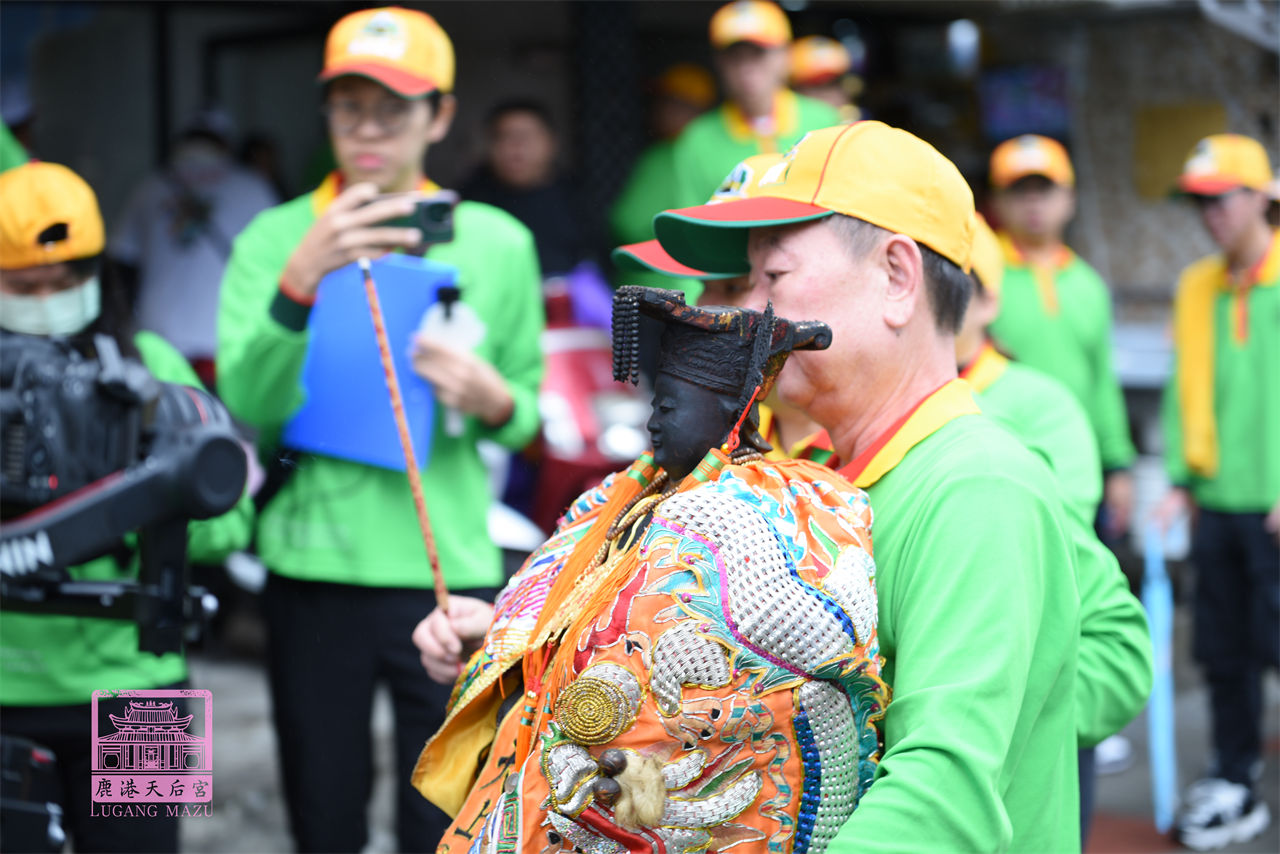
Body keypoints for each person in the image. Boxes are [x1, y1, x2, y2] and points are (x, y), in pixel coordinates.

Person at [652, 120, 1083, 852]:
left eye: (773, 277)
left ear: (896, 277)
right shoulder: (818, 475)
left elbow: (942, 797)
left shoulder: (977, 487)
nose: (747, 311)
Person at [215, 8, 544, 852]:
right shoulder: (275, 235)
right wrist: (298, 282)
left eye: (392, 108)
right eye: (348, 106)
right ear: (325, 112)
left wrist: (493, 398)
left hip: (449, 584)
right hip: (312, 563)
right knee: (322, 811)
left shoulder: (499, 242)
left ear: (438, 116)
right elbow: (251, 400)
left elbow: (531, 413)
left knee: (444, 822)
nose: (367, 130)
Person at [413, 285, 886, 852]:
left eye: (667, 405)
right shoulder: (623, 496)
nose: (652, 422)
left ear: (728, 413)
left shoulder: (786, 508)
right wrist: (497, 630)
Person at [0, 161, 252, 853]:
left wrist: (137, 495)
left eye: (67, 282)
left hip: (144, 696)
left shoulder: (154, 367)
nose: (48, 301)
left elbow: (232, 524)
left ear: (101, 274)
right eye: (24, 288)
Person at [964, 211, 1152, 843]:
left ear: (988, 298)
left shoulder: (1041, 404)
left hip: (1032, 679)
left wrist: (1041, 710)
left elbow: (1054, 559)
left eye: (956, 282)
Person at [1155, 133, 1278, 851]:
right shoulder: (1196, 284)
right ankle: (1236, 776)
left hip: (1274, 505)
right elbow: (1185, 388)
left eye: (1220, 199)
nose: (1210, 216)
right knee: (1224, 652)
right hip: (1216, 505)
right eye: (1198, 203)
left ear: (1262, 196)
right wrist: (1180, 478)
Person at [613, 151, 829, 463]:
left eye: (733, 287)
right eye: (703, 288)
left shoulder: (849, 443)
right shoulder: (716, 433)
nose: (704, 309)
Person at [986, 134, 1137, 542]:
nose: (1033, 203)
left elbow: (1101, 380)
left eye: (1044, 190)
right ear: (997, 202)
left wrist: (1118, 466)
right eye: (1019, 192)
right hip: (1000, 464)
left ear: (1069, 199)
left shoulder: (1088, 284)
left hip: (1077, 469)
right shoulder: (978, 276)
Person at [109, 109, 277, 387]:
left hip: (159, 345)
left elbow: (121, 263)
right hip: (229, 344)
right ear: (226, 143)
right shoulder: (253, 187)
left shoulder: (148, 188)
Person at [670, 1, 841, 212]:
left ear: (784, 55)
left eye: (758, 53)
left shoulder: (824, 121)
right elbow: (692, 221)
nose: (746, 67)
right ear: (719, 63)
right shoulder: (697, 139)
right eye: (735, 56)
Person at [461, 99, 591, 276]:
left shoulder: (578, 198)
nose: (516, 147)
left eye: (526, 136)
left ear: (552, 142)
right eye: (504, 136)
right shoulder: (470, 203)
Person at [608, 62, 716, 253]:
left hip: (656, 272)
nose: (658, 109)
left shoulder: (664, 156)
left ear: (693, 110)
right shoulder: (711, 152)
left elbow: (628, 223)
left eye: (668, 102)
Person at [788, 35, 862, 122]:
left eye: (834, 83)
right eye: (816, 85)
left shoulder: (859, 128)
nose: (830, 95)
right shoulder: (780, 132)